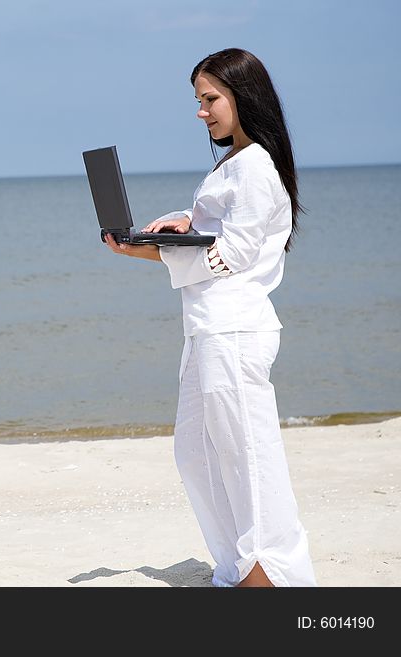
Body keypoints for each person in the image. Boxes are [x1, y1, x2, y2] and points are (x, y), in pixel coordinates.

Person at [103, 48, 317, 587]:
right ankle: (239, 566)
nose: (202, 111)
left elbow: (232, 255)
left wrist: (157, 248)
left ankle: (270, 575)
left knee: (248, 453)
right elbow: (216, 235)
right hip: (206, 327)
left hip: (235, 327)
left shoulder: (256, 166)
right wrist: (169, 230)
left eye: (210, 99)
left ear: (244, 97)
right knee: (196, 454)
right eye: (199, 100)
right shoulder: (232, 164)